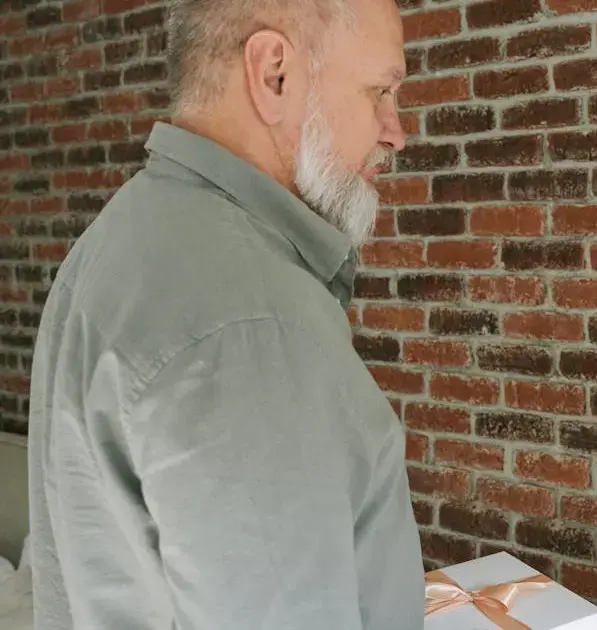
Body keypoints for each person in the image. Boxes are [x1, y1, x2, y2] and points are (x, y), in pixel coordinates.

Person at [25, 0, 423, 628]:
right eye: (381, 90)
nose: (395, 130)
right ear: (275, 76)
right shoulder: (253, 326)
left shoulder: (112, 243)